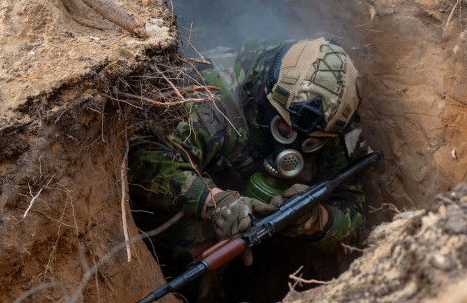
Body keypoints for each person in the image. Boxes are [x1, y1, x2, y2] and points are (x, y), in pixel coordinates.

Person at [128, 37, 368, 300]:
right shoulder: (214, 93)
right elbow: (142, 157)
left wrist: (315, 220)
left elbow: (354, 210)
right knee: (189, 264)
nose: (293, 149)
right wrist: (213, 202)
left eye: (310, 143)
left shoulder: (336, 128)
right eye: (284, 129)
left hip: (259, 224)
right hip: (197, 207)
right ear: (267, 94)